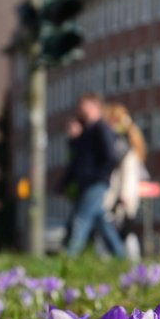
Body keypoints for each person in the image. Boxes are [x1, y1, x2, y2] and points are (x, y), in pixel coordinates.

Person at [58, 93, 126, 259]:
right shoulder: (85, 132)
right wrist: (64, 183)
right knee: (101, 221)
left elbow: (110, 156)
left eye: (84, 105)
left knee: (81, 218)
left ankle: (70, 255)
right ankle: (120, 255)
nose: (80, 109)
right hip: (86, 183)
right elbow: (76, 163)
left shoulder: (100, 128)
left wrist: (101, 175)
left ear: (94, 106)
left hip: (96, 182)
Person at [102, 103, 148, 261]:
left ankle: (127, 260)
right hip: (122, 196)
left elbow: (129, 175)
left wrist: (124, 196)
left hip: (120, 197)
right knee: (123, 230)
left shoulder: (123, 148)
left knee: (121, 230)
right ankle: (126, 260)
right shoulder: (128, 145)